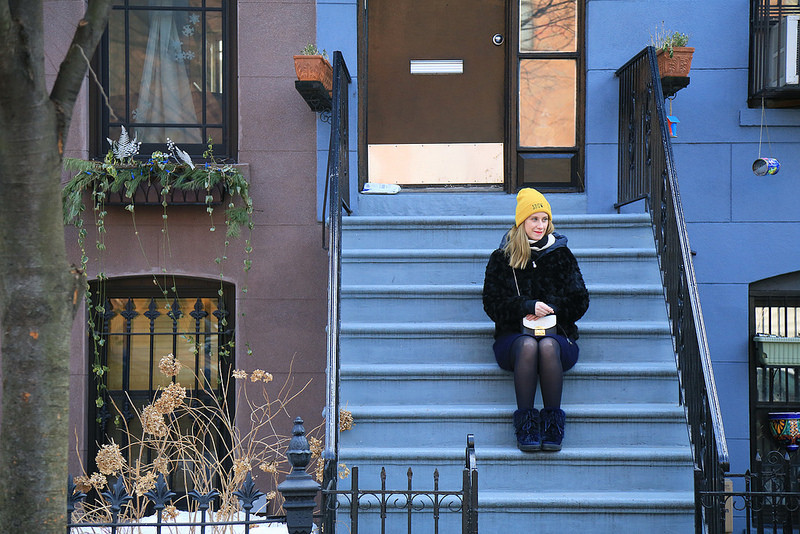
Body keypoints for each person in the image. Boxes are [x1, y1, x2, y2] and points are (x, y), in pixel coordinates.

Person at [482, 188, 589, 452]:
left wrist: (552, 309)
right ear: (521, 222)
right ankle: (527, 423)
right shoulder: (502, 258)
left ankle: (552, 422)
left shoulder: (561, 254)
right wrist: (526, 306)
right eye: (534, 219)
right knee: (530, 346)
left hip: (559, 336)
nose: (540, 226)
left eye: (544, 219)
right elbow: (492, 304)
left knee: (548, 346)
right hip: (514, 339)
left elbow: (580, 300)